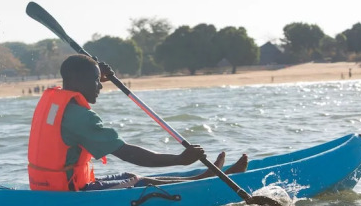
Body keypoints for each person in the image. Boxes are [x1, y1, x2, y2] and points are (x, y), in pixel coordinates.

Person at [27, 54, 247, 191]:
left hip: (48, 187)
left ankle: (203, 177)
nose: (100, 86)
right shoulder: (80, 118)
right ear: (76, 80)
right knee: (138, 182)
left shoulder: (54, 100)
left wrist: (93, 70)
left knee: (128, 178)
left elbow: (76, 72)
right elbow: (129, 154)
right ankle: (207, 183)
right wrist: (179, 160)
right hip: (70, 193)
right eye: (95, 81)